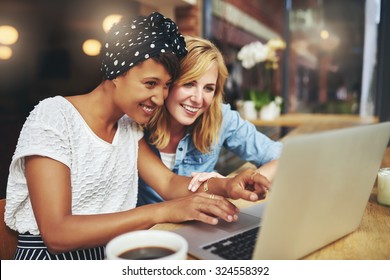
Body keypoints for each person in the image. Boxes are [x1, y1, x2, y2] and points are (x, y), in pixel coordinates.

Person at [4, 12, 270, 260]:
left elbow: (167, 182)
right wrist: (163, 210)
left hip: (113, 252)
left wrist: (227, 185)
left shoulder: (127, 126)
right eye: (150, 84)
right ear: (115, 74)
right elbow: (58, 235)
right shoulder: (54, 116)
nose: (159, 97)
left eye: (166, 86)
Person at [138, 36, 283, 206]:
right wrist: (221, 186)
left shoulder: (220, 117)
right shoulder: (139, 118)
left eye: (208, 88)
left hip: (199, 224)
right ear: (168, 83)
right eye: (189, 84)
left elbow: (284, 157)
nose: (198, 99)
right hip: (150, 229)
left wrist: (249, 180)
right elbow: (168, 185)